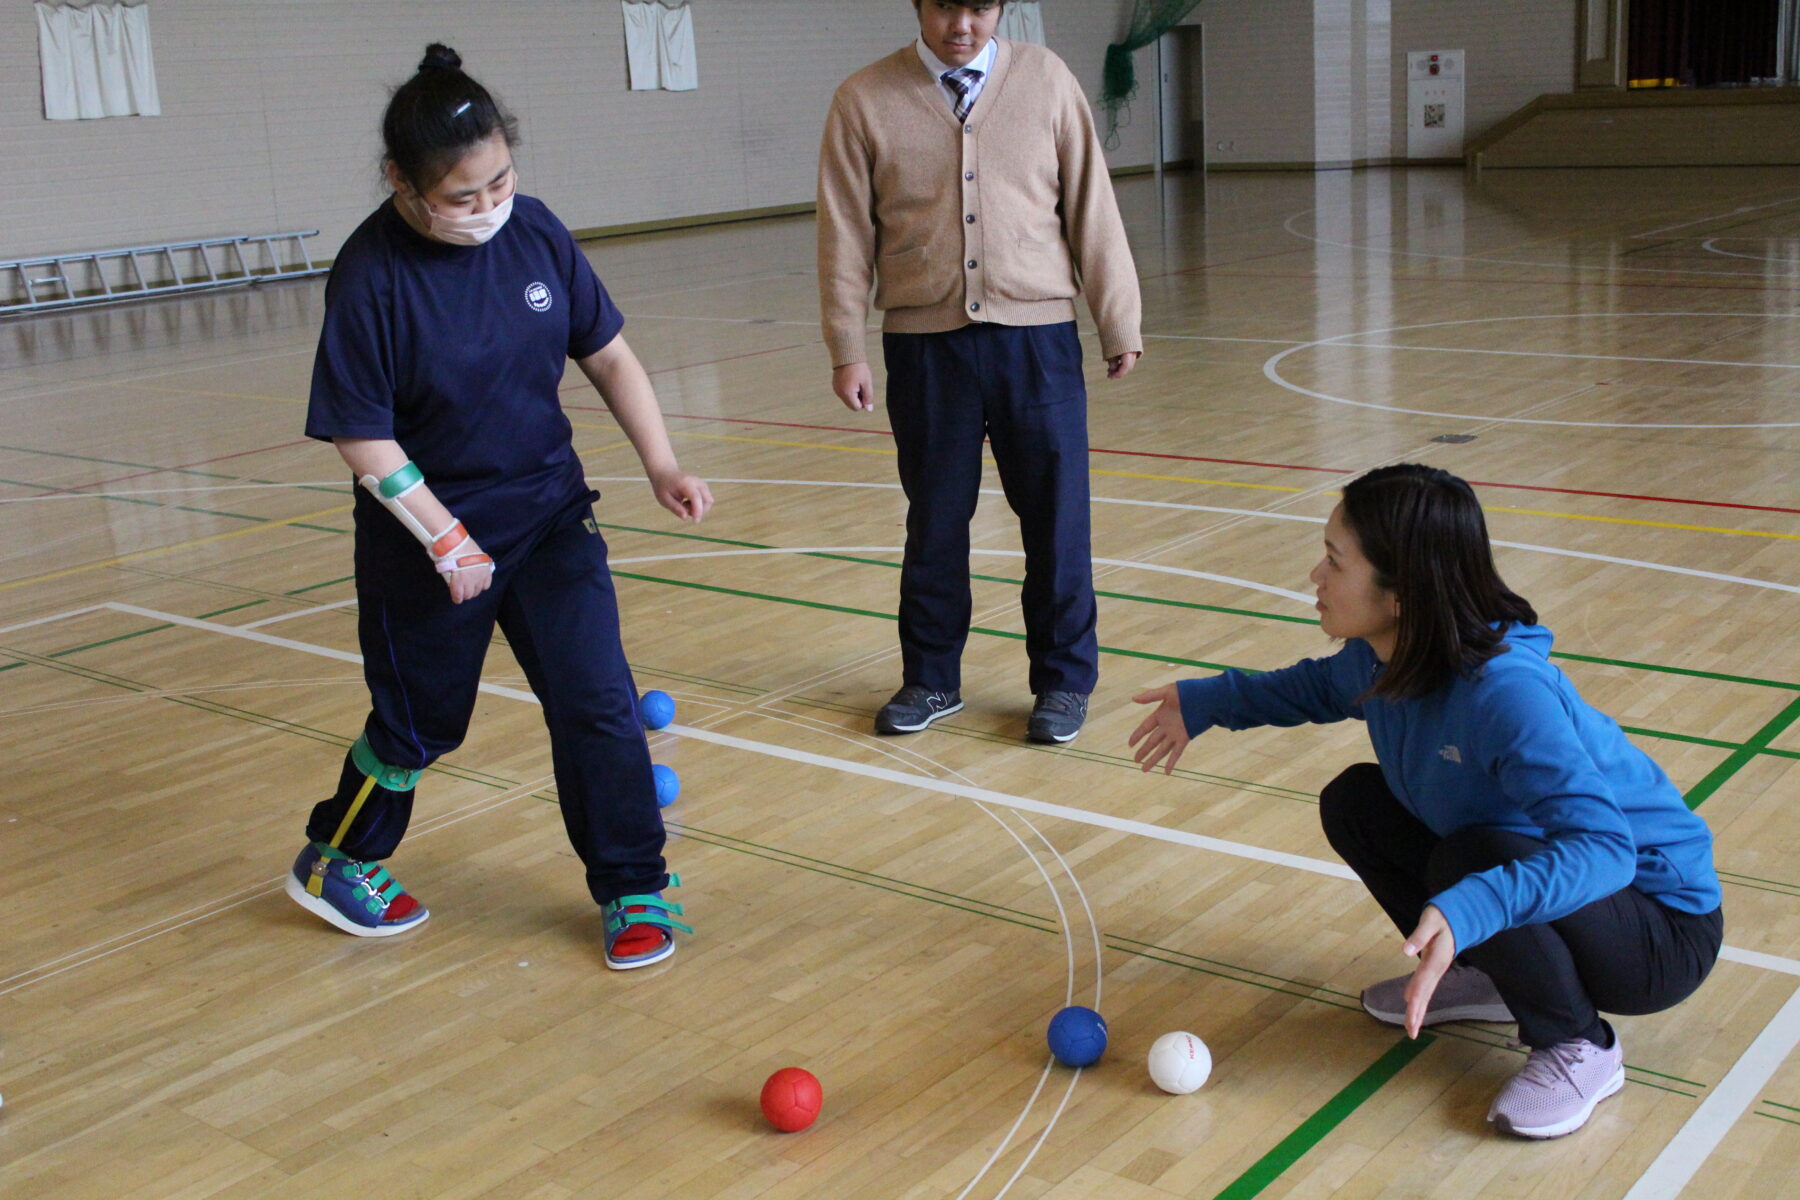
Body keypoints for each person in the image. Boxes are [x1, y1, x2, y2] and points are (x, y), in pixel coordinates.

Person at [1129, 464, 1722, 1139]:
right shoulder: (1381, 655)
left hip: (1659, 932)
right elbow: (1308, 690)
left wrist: (1474, 905)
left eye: (1334, 562)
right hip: (1561, 884)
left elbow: (1606, 851)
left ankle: (1580, 1047)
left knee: (1471, 860)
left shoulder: (1505, 694)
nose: (1315, 577)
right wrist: (1207, 703)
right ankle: (1493, 977)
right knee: (1356, 802)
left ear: (1401, 593)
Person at [294, 44, 712, 970]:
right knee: (417, 727)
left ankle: (634, 885)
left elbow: (606, 353)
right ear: (402, 184)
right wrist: (444, 538)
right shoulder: (371, 275)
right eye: (462, 197)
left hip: (550, 515)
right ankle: (337, 856)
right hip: (425, 537)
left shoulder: (537, 233)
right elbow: (361, 435)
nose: (488, 209)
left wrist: (661, 461)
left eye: (501, 183)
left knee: (597, 700)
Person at [817, 0, 1143, 744]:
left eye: (980, 6)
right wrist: (847, 345)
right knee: (934, 522)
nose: (961, 24)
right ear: (917, 6)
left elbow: (1093, 204)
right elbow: (842, 230)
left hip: (1039, 342)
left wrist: (1117, 317)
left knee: (1058, 518)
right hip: (926, 348)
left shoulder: (1048, 80)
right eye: (943, 6)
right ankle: (930, 678)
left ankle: (1063, 684)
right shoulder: (863, 98)